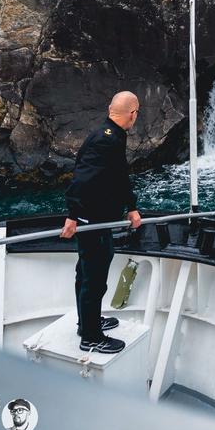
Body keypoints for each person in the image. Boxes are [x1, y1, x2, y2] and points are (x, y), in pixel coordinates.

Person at [60, 91, 143, 354]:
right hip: (91, 220)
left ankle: (89, 323)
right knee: (92, 278)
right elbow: (82, 180)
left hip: (98, 218)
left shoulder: (112, 136)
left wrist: (131, 207)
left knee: (87, 273)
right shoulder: (105, 141)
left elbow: (119, 177)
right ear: (133, 114)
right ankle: (91, 337)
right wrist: (73, 215)